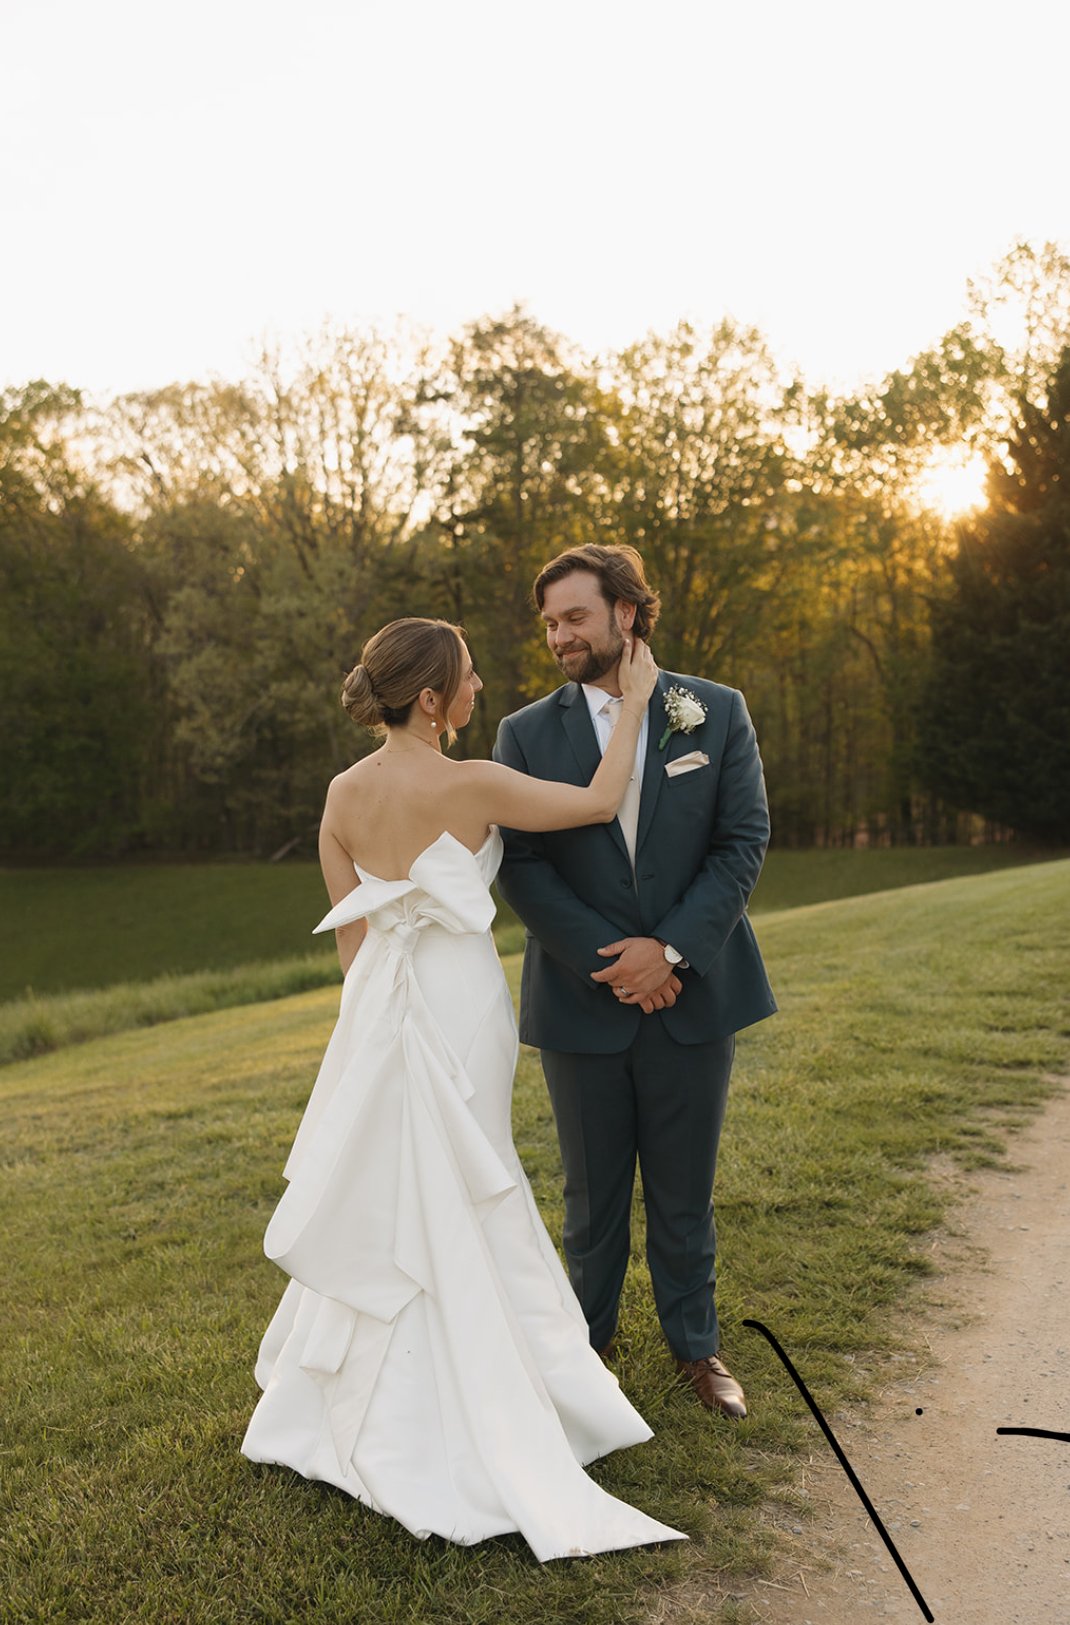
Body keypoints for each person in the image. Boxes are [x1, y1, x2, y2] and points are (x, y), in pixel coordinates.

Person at [241, 615, 685, 1561]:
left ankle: (353, 1402)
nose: (482, 687)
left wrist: (375, 1032)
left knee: (397, 1174)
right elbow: (602, 801)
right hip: (462, 996)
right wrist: (638, 700)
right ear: (433, 699)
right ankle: (492, 1399)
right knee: (473, 1176)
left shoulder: (340, 792)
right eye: (470, 678)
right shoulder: (472, 781)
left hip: (382, 1005)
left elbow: (352, 941)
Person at [493, 545, 776, 1420]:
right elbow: (524, 867)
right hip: (585, 998)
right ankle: (588, 1355)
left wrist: (673, 951)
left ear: (626, 614)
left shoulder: (714, 712)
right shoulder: (525, 733)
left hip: (696, 991)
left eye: (574, 616)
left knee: (685, 1191)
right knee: (591, 1198)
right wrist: (616, 960)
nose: (558, 636)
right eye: (548, 622)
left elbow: (742, 841)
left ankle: (698, 1347)